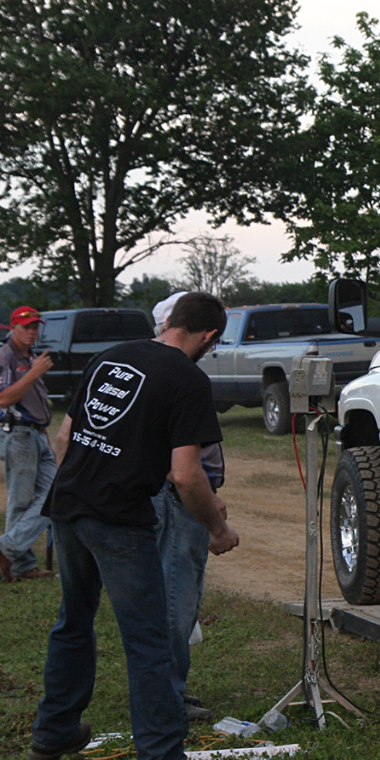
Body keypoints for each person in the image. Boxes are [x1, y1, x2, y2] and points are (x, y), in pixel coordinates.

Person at [29, 291, 239, 760]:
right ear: (208, 335)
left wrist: (83, 488)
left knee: (73, 623)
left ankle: (53, 733)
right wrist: (217, 528)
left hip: (68, 507)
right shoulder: (187, 379)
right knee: (149, 643)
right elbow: (187, 476)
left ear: (171, 321)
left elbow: (64, 440)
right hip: (119, 519)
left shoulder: (110, 358)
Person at [150, 291, 224, 722]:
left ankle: (165, 691)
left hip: (183, 497)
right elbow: (180, 471)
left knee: (172, 598)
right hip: (179, 503)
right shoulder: (182, 377)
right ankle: (165, 700)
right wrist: (212, 518)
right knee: (176, 600)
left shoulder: (136, 367)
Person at [0, 306, 56, 583]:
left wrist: (45, 434)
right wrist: (33, 373)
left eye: (35, 327)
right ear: (13, 327)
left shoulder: (31, 356)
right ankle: (19, 561)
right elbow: (3, 398)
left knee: (53, 496)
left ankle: (9, 548)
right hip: (16, 433)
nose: (32, 332)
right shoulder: (4, 357)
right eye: (26, 326)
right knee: (22, 500)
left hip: (36, 433)